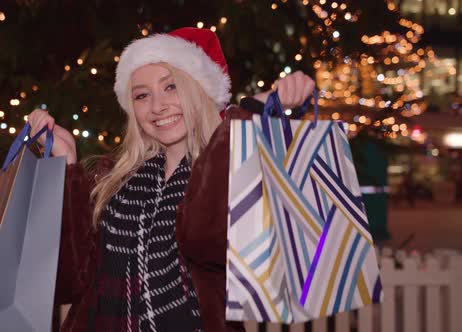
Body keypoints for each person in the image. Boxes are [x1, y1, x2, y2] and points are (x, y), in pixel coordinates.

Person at [28, 28, 314, 332]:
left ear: (201, 90)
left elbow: (206, 241)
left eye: (171, 87)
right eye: (141, 95)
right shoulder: (111, 179)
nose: (157, 106)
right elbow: (67, 284)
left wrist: (246, 116)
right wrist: (66, 164)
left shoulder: (234, 170)